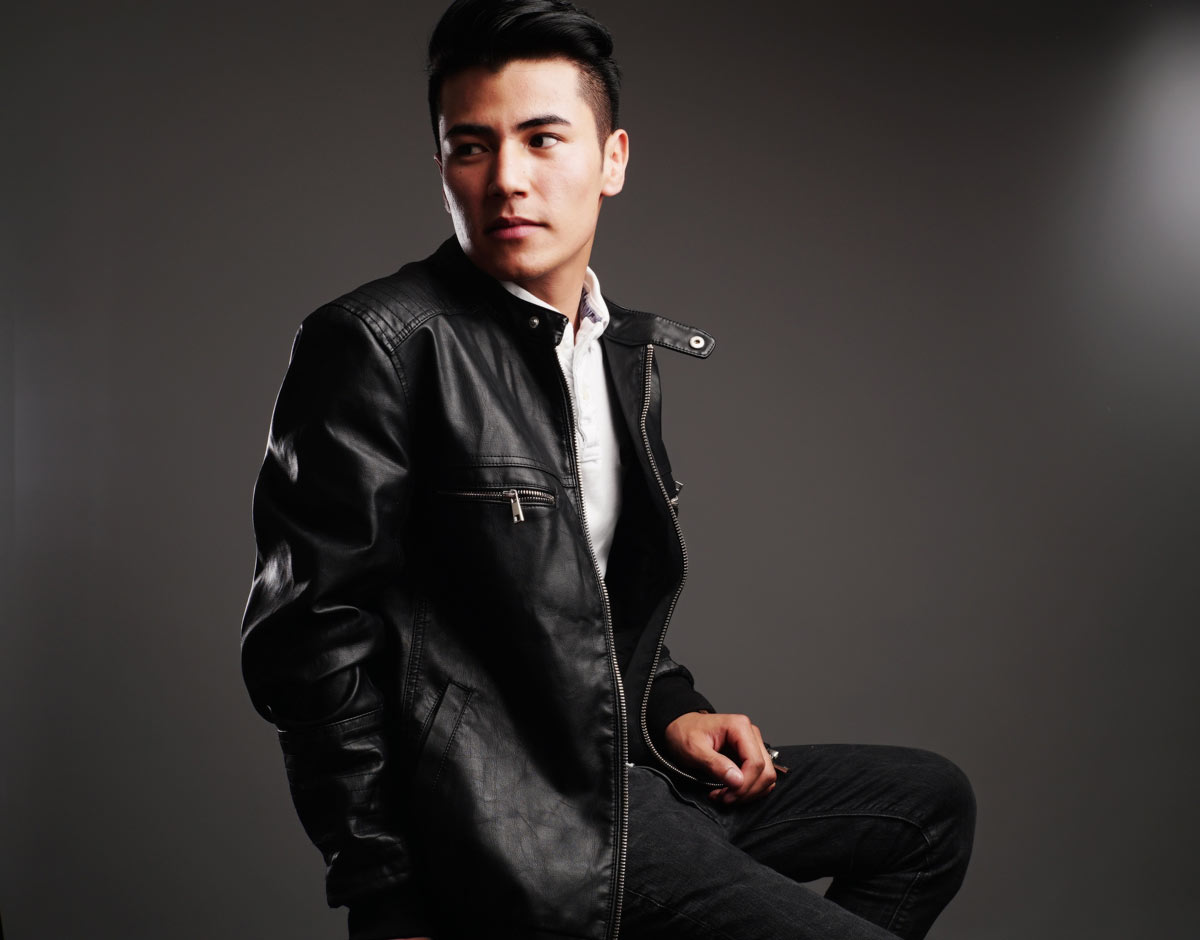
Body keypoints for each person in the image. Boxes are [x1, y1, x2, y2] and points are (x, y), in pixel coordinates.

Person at [239, 2, 976, 939]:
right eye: (471, 147)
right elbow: (309, 648)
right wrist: (388, 899)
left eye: (542, 139)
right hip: (513, 830)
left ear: (612, 159)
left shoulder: (613, 351)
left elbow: (578, 603)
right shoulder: (378, 344)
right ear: (443, 167)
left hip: (626, 784)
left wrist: (672, 710)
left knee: (927, 808)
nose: (507, 178)